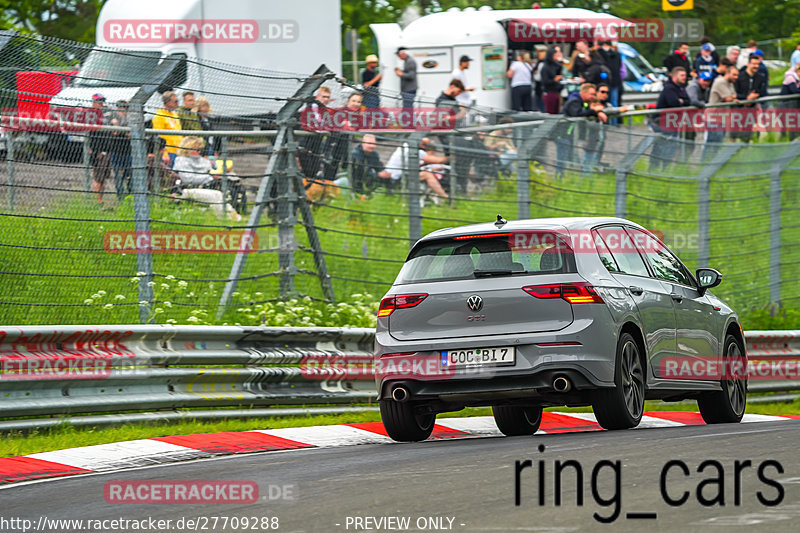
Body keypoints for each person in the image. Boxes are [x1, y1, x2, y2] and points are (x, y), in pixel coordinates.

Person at [556, 83, 607, 179]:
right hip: (562, 134)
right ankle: (559, 178)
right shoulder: (574, 101)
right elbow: (577, 114)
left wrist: (597, 112)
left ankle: (568, 178)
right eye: (591, 94)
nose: (593, 97)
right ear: (583, 93)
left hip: (570, 134)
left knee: (570, 158)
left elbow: (586, 113)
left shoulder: (582, 102)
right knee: (561, 160)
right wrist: (594, 111)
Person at [650, 67, 690, 171]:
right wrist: (680, 102)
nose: (684, 78)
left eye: (685, 76)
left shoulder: (681, 88)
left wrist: (682, 101)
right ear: (675, 76)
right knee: (662, 146)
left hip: (672, 122)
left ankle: (664, 169)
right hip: (661, 122)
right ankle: (655, 169)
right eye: (682, 76)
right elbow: (674, 103)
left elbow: (688, 101)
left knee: (670, 146)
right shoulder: (669, 88)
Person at [385, 137, 449, 201]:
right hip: (397, 177)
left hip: (393, 175)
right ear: (422, 145)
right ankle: (445, 197)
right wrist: (452, 157)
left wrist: (425, 164)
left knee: (425, 173)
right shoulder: (415, 150)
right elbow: (439, 161)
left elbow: (415, 165)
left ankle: (431, 197)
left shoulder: (404, 146)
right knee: (427, 175)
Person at [703, 65, 739, 160]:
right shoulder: (720, 82)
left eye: (737, 75)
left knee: (716, 144)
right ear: (727, 73)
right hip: (713, 118)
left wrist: (732, 98)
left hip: (721, 119)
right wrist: (731, 98)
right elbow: (728, 98)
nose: (736, 77)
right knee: (714, 143)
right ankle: (706, 163)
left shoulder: (730, 83)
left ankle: (709, 164)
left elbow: (734, 96)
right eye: (734, 75)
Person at [298, 86, 331, 180]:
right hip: (306, 146)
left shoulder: (324, 110)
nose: (326, 99)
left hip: (316, 147)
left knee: (315, 174)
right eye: (323, 97)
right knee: (308, 174)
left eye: (328, 97)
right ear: (317, 96)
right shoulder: (311, 107)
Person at [88, 93, 112, 206]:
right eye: (99, 101)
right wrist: (96, 151)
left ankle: (100, 199)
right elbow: (91, 136)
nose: (101, 103)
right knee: (97, 177)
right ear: (93, 102)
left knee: (103, 178)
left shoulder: (106, 114)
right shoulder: (91, 115)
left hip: (107, 149)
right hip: (97, 150)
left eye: (102, 101)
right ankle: (97, 201)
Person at [151, 90, 182, 166]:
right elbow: (159, 137)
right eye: (175, 101)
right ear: (168, 102)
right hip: (169, 152)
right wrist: (164, 154)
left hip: (178, 151)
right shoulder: (160, 116)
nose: (178, 104)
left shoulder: (175, 115)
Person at [109, 99, 132, 201]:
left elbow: (129, 134)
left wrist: (120, 129)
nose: (122, 110)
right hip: (116, 150)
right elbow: (114, 132)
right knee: (118, 175)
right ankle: (121, 198)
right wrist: (117, 127)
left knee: (131, 175)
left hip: (129, 151)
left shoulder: (131, 118)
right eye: (120, 107)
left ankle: (130, 196)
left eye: (124, 108)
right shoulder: (112, 117)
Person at [597, 41, 623, 112]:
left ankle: (608, 121)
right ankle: (613, 122)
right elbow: (620, 68)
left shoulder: (599, 54)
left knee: (605, 103)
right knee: (614, 103)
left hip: (604, 82)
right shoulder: (617, 54)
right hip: (615, 81)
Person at [541, 46, 564, 114]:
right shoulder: (545, 67)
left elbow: (559, 70)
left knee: (556, 111)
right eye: (555, 55)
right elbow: (545, 81)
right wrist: (554, 80)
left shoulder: (554, 65)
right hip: (549, 92)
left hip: (556, 91)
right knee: (550, 112)